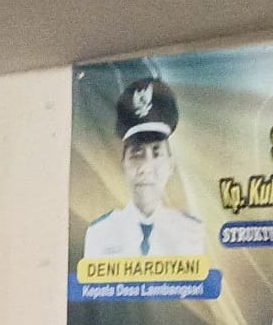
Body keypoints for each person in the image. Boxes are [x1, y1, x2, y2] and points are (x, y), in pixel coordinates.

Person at [82, 77, 206, 259]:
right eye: (137, 153)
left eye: (156, 153)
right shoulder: (100, 233)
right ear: (123, 164)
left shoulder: (191, 231)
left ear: (170, 166)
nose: (146, 168)